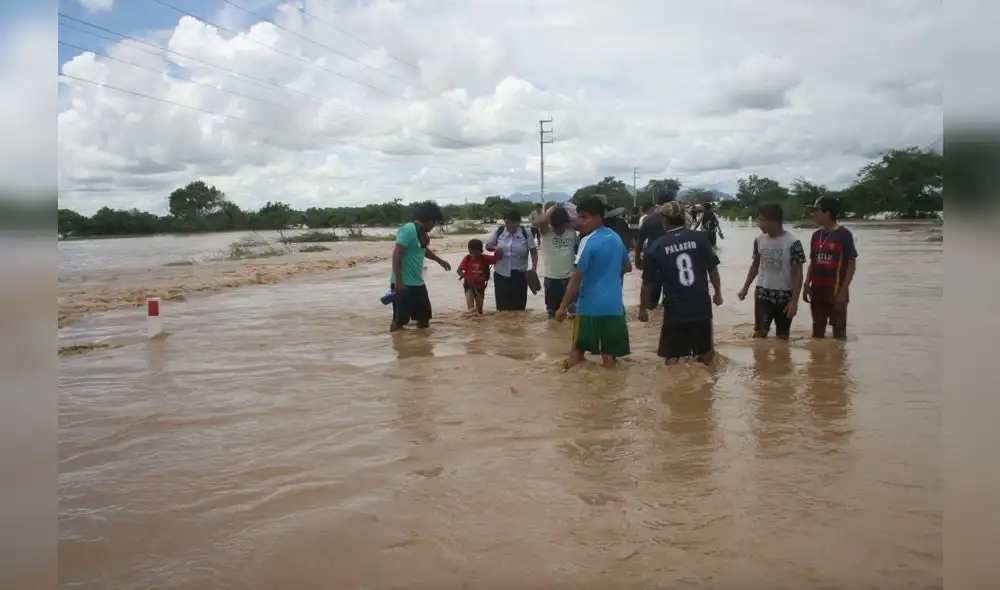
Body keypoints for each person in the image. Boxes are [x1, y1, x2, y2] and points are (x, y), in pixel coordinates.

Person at [637, 201, 723, 364]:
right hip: (701, 304)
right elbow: (713, 270)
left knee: (672, 358)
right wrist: (718, 294)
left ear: (664, 220)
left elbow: (647, 282)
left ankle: (674, 388)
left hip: (675, 308)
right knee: (706, 352)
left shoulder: (656, 246)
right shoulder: (700, 238)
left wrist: (643, 309)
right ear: (684, 217)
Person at [555, 195, 631, 368]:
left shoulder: (587, 241)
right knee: (609, 358)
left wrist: (561, 308)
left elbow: (575, 280)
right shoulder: (615, 237)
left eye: (584, 217)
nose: (580, 222)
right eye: (578, 217)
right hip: (614, 307)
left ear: (598, 217)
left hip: (590, 307)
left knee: (576, 355)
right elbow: (627, 267)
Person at [737, 203, 807, 339]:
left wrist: (794, 301)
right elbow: (755, 265)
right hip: (763, 294)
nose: (758, 223)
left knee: (783, 337)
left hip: (785, 297)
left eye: (761, 220)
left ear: (773, 221)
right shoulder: (759, 240)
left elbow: (798, 273)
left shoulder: (793, 242)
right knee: (760, 334)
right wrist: (745, 288)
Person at [389, 201, 451, 332]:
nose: (434, 226)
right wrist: (399, 283)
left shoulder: (422, 233)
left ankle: (420, 348)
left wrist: (439, 260)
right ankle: (399, 347)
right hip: (403, 283)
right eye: (434, 222)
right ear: (428, 219)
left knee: (424, 319)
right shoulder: (408, 230)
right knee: (399, 322)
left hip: (417, 282)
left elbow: (422, 250)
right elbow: (396, 255)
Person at [803, 196, 858, 340]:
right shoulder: (816, 235)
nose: (813, 214)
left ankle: (839, 361)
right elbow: (813, 262)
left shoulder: (844, 235)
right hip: (817, 290)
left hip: (836, 290)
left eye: (816, 211)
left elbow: (851, 266)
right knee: (817, 331)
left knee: (839, 333)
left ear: (827, 213)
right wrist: (806, 283)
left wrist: (843, 292)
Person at [486, 210, 538, 311]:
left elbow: (534, 252)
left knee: (519, 309)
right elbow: (488, 245)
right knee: (502, 310)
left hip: (520, 277)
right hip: (501, 275)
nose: (509, 225)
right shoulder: (500, 231)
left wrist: (534, 269)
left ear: (518, 222)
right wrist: (495, 248)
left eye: (513, 222)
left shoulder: (526, 233)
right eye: (507, 222)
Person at [536, 205, 578, 318]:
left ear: (566, 223)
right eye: (554, 226)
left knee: (573, 314)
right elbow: (541, 221)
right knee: (552, 315)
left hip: (569, 279)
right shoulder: (545, 232)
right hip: (551, 280)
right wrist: (554, 207)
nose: (557, 230)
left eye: (560, 227)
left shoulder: (572, 233)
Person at [634, 201, 667, 310]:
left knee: (650, 283)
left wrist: (637, 258)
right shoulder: (672, 220)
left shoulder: (648, 220)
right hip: (669, 255)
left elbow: (639, 241)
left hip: (652, 256)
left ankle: (649, 307)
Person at [457, 238, 498, 314]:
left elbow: (496, 258)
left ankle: (478, 325)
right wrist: (466, 277)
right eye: (471, 252)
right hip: (469, 286)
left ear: (481, 251)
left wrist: (497, 249)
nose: (473, 255)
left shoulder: (485, 258)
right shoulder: (467, 258)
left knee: (479, 311)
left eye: (475, 253)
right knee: (471, 310)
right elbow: (458, 271)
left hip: (480, 287)